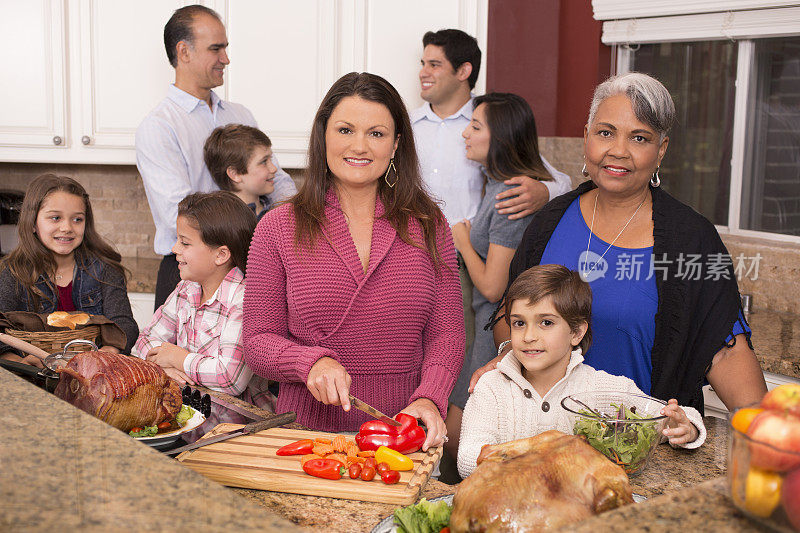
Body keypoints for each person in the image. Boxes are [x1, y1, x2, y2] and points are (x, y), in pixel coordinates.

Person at [472, 72, 767, 413]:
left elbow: (726, 349)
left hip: (641, 444)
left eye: (640, 138)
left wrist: (763, 430)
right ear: (587, 138)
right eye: (605, 133)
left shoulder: (692, 239)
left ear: (661, 149)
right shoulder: (549, 222)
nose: (619, 151)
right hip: (546, 432)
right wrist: (510, 356)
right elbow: (511, 316)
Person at [243, 72, 464, 450]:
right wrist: (308, 363)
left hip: (403, 433)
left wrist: (431, 396)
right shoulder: (277, 227)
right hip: (307, 436)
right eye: (345, 130)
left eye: (376, 134)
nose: (359, 146)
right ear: (323, 135)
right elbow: (257, 341)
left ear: (396, 145)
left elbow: (447, 333)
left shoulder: (429, 224)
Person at [457, 265, 706, 478]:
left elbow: (663, 417)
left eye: (546, 323)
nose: (529, 336)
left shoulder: (600, 388)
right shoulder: (491, 387)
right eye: (519, 323)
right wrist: (542, 454)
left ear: (576, 333)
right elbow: (468, 461)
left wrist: (685, 426)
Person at [136, 4, 297, 311]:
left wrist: (294, 216)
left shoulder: (240, 114)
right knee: (175, 359)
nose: (226, 58)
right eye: (216, 49)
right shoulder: (159, 127)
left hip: (247, 264)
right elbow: (179, 214)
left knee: (240, 358)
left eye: (225, 48)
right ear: (184, 52)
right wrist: (257, 227)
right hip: (188, 271)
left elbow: (277, 181)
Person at [446, 92, 554, 458]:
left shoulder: (510, 195)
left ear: (502, 137)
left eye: (475, 126)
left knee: (459, 436)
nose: (465, 134)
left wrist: (461, 238)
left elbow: (493, 287)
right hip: (481, 322)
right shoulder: (496, 185)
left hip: (497, 324)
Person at [410, 29, 572, 225]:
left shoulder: (490, 125)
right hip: (412, 250)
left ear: (463, 71)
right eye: (423, 64)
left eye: (434, 65)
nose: (422, 73)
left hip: (467, 253)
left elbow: (563, 184)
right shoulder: (406, 124)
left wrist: (544, 192)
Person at [132, 191, 274, 411]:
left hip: (236, 432)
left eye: (184, 243)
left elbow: (229, 378)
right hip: (189, 425)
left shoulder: (244, 300)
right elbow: (142, 342)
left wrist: (179, 358)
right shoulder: (185, 290)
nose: (174, 249)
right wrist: (165, 369)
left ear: (221, 255)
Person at [0, 174, 138, 363]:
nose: (67, 227)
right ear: (32, 222)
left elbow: (125, 324)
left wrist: (109, 351)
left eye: (77, 219)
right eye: (55, 218)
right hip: (29, 377)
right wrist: (15, 361)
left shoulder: (105, 270)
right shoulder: (12, 272)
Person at [204, 124, 278, 221]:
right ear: (235, 174)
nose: (274, 168)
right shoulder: (221, 224)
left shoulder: (278, 213)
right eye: (263, 162)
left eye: (270, 159)